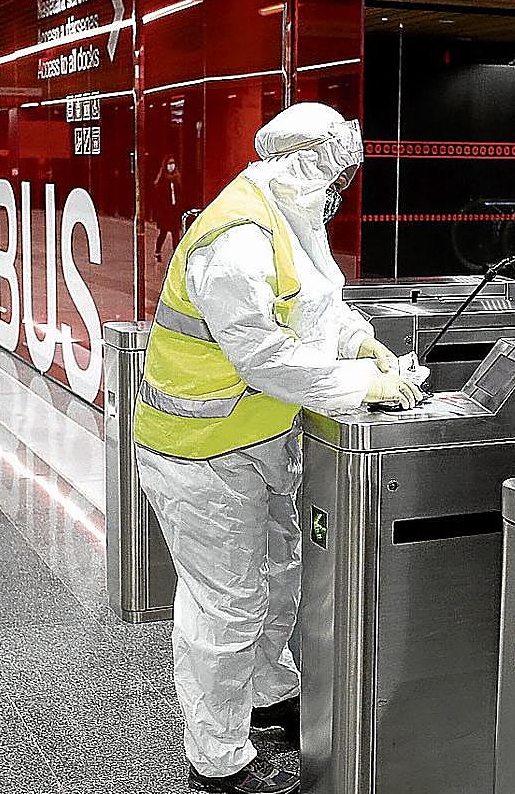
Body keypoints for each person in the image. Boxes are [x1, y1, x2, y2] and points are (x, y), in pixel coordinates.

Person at [133, 102, 423, 794]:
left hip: (257, 440)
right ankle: (218, 757)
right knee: (226, 605)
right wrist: (364, 383)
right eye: (334, 173)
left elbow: (318, 304)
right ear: (299, 165)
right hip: (198, 451)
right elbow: (264, 356)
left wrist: (360, 341)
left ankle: (269, 692)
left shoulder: (287, 216)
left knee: (276, 578)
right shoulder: (235, 239)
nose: (338, 189)